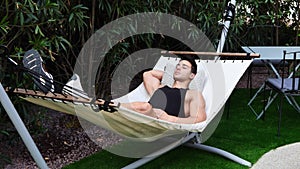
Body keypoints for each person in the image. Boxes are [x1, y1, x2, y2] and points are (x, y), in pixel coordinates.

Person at [120, 56, 206, 124]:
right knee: (145, 107)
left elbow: (199, 118)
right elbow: (148, 74)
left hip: (160, 123)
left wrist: (170, 119)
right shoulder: (160, 87)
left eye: (184, 67)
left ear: (192, 75)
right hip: (142, 115)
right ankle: (114, 106)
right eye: (178, 66)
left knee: (146, 106)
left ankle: (115, 106)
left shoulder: (193, 94)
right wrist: (167, 75)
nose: (178, 68)